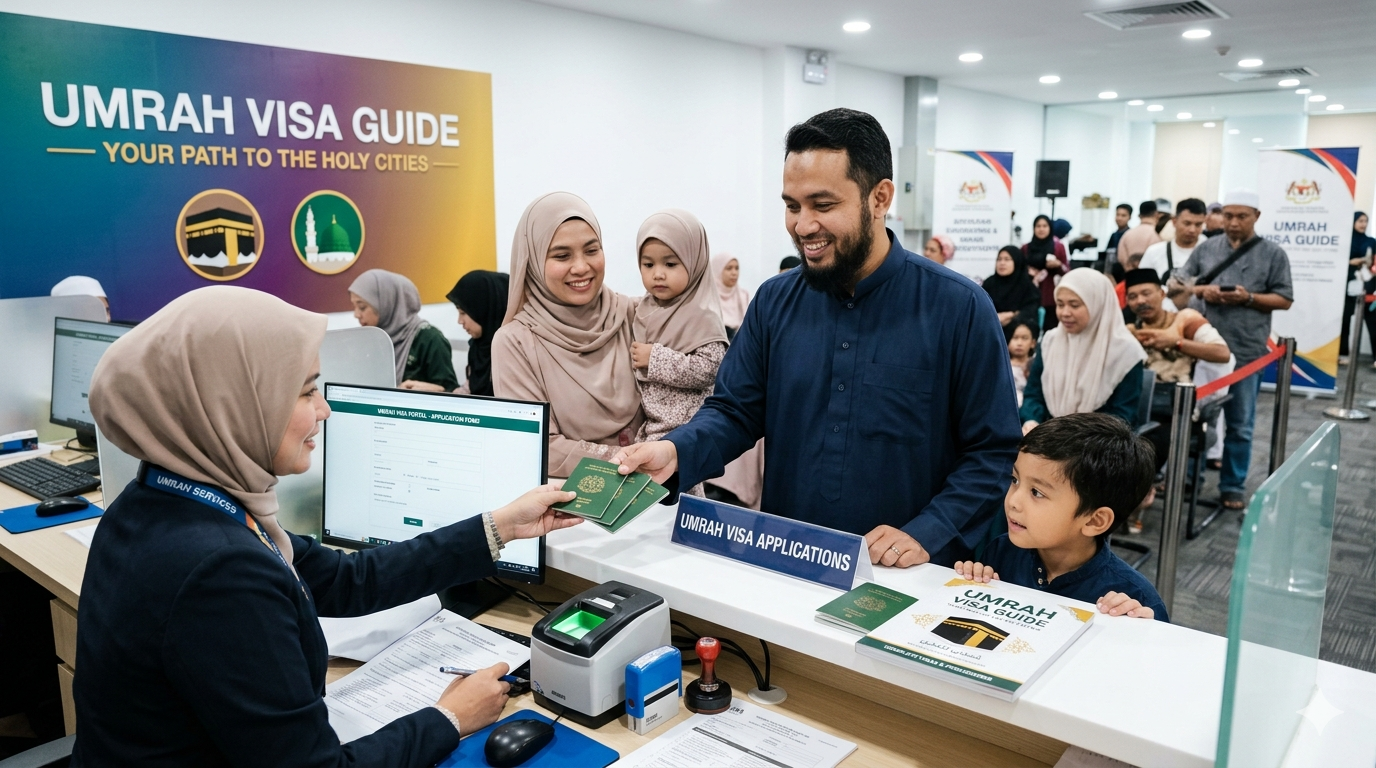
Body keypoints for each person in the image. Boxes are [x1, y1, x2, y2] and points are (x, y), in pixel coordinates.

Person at [74, 286, 581, 767]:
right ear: (231, 403)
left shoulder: (160, 500)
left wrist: (499, 526)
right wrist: (449, 718)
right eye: (305, 393)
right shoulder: (219, 570)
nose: (325, 410)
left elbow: (345, 580)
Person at [615, 108, 1021, 568]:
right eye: (792, 206)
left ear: (879, 197)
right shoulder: (773, 301)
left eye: (823, 206)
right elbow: (735, 411)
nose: (803, 225)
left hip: (905, 577)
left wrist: (929, 531)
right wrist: (675, 451)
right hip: (789, 560)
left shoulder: (959, 308)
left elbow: (992, 450)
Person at [953, 413, 1168, 621]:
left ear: (1095, 521)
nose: (1013, 501)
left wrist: (1139, 632)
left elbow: (1157, 655)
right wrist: (976, 579)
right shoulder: (1002, 552)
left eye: (1037, 492)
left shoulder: (1133, 598)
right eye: (1015, 479)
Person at [492, 192, 643, 477]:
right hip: (573, 509)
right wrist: (633, 457)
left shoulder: (634, 315)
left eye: (591, 250)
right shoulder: (516, 342)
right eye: (562, 256)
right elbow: (538, 446)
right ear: (533, 262)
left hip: (660, 496)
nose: (581, 267)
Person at [1175, 189, 1293, 510]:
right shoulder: (1207, 248)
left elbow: (1284, 299)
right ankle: (1188, 479)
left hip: (1248, 351)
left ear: (1256, 216)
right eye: (1228, 215)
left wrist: (1249, 298)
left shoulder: (1273, 254)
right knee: (1196, 418)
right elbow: (1178, 285)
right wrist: (1204, 291)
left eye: (1241, 216)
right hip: (1206, 349)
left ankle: (1232, 486)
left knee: (1240, 423)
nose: (1234, 222)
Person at [631, 209, 729, 449]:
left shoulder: (702, 316)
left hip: (685, 431)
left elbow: (709, 369)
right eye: (648, 264)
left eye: (671, 264)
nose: (658, 274)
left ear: (694, 262)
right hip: (650, 427)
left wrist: (654, 358)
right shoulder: (645, 309)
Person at [1124, 268, 1231, 475]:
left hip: (1175, 405)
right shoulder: (1129, 328)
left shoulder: (1184, 320)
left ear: (1162, 294)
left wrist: (1177, 343)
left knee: (1144, 446)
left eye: (1146, 293)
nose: (1140, 301)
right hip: (1135, 401)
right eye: (1133, 297)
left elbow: (1222, 353)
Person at [1020, 269, 1146, 434]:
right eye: (1060, 304)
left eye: (1074, 305)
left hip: (1099, 445)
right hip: (1048, 437)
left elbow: (1123, 416)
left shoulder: (1126, 352)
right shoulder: (1051, 341)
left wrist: (1075, 438)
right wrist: (1031, 420)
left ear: (1097, 304)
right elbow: (1033, 394)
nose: (1065, 313)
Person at [349, 269, 459, 392]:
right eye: (354, 307)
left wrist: (433, 391)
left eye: (362, 307)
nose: (356, 314)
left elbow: (452, 392)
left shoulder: (429, 339)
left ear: (387, 303)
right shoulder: (369, 340)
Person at [445, 270, 509, 396]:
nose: (460, 321)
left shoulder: (514, 352)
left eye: (463, 313)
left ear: (484, 309)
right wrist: (439, 392)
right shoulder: (477, 347)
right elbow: (471, 391)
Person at [1140, 198, 1206, 281]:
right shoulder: (1154, 252)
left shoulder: (1212, 253)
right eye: (1187, 223)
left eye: (1198, 225)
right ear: (1174, 222)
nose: (1192, 230)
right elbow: (1141, 285)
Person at [984, 245, 1040, 340]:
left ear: (1017, 262)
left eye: (1007, 259)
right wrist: (995, 318)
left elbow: (1031, 311)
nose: (1002, 263)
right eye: (999, 259)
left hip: (1017, 332)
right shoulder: (989, 283)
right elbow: (981, 308)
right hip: (991, 329)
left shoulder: (1027, 286)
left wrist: (1012, 316)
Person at [1340, 212, 1375, 362]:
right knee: (1344, 320)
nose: (1363, 224)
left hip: (1367, 284)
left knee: (1372, 321)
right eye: (1360, 221)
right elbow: (1338, 260)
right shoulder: (1345, 240)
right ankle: (1343, 355)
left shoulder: (1371, 241)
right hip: (1347, 284)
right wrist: (1350, 262)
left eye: (1366, 221)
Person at [1024, 214, 1068, 333]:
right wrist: (1028, 270)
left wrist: (1058, 264)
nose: (1041, 229)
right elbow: (1019, 269)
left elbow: (1067, 271)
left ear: (1050, 228)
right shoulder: (1025, 248)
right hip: (1029, 297)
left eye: (1045, 226)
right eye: (1038, 226)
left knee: (1050, 331)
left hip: (1051, 297)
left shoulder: (1058, 247)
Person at [712, 253, 749, 342]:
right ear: (717, 270)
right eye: (729, 268)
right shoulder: (709, 297)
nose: (734, 273)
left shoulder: (743, 296)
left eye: (737, 268)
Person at [1116, 201, 1162, 269]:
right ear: (1156, 215)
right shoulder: (1158, 235)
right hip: (1150, 277)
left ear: (1139, 216)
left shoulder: (1127, 234)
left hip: (1130, 276)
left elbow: (1121, 258)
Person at [1008, 322, 1036, 407]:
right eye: (1015, 338)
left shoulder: (1035, 364)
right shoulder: (1003, 366)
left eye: (1025, 338)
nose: (1019, 343)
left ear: (1033, 343)